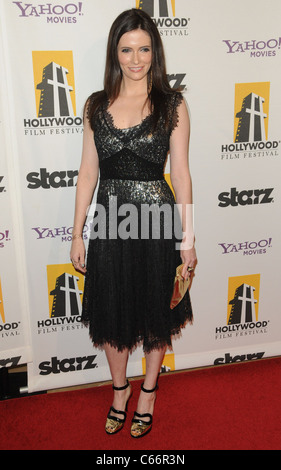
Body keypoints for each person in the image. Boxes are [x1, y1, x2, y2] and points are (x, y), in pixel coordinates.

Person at [70, 8, 197, 439]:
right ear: (115, 52)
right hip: (109, 223)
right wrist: (77, 233)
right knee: (112, 312)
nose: (136, 58)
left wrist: (188, 239)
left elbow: (180, 174)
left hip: (158, 222)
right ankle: (119, 390)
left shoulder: (172, 104)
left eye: (144, 49)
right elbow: (87, 173)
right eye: (127, 49)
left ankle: (148, 392)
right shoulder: (94, 105)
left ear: (154, 52)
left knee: (155, 312)